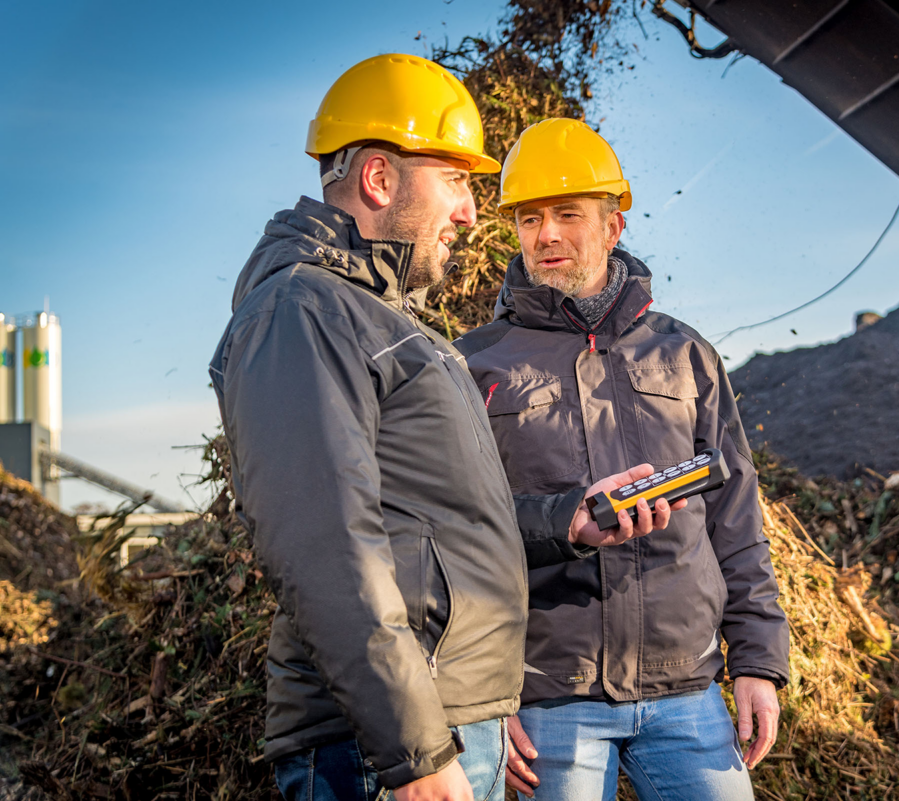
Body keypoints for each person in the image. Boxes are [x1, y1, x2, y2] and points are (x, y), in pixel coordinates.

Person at [209, 58, 682, 801]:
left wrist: (572, 518)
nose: (471, 212)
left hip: (449, 723)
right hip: (386, 750)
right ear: (377, 179)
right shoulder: (303, 311)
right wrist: (416, 753)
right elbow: (328, 545)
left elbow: (442, 527)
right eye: (458, 180)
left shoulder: (386, 321)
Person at [456, 118, 791, 801]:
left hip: (688, 689)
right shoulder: (472, 364)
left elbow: (736, 519)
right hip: (549, 694)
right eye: (528, 218)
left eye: (568, 214)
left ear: (613, 224)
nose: (546, 234)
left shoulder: (685, 353)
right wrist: (483, 700)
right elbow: (458, 536)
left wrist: (757, 661)